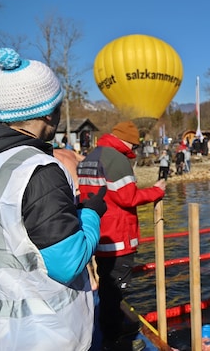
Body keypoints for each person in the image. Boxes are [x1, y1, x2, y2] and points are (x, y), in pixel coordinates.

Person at [0, 47, 107, 350]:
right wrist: (91, 213)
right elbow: (67, 262)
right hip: (47, 334)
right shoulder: (38, 169)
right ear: (47, 112)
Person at [77, 121, 166, 350]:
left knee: (107, 284)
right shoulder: (116, 159)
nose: (134, 150)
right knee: (115, 289)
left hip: (99, 232)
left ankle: (112, 330)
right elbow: (128, 197)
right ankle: (114, 340)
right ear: (128, 140)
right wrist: (157, 190)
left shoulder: (91, 156)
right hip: (118, 235)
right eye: (134, 145)